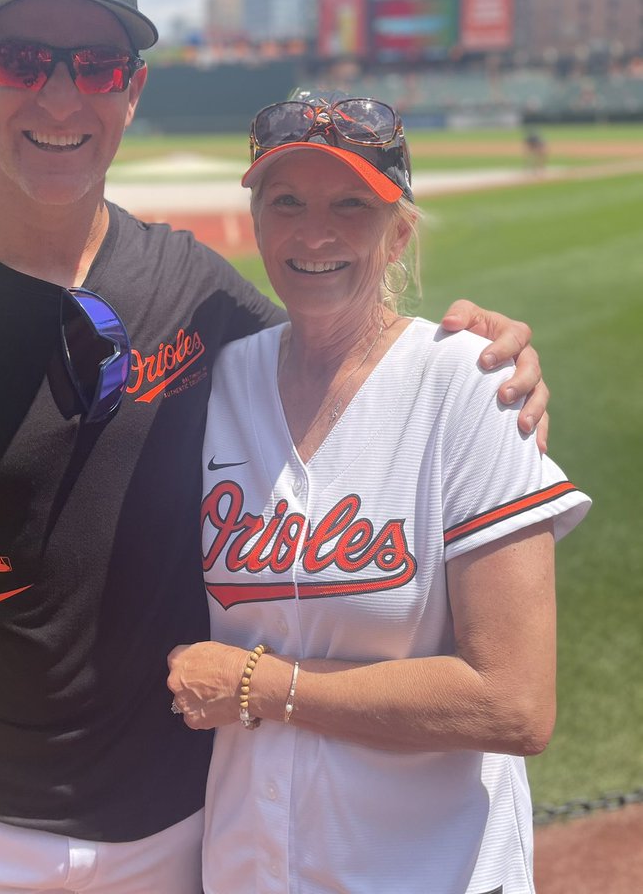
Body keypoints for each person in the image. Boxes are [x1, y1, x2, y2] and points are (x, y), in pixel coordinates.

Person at [0, 0, 549, 894]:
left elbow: (343, 361)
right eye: (22, 57)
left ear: (133, 91)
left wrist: (478, 360)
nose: (60, 93)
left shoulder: (197, 288)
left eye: (96, 64)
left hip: (187, 818)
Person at [167, 93, 591, 894]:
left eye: (351, 204)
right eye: (286, 201)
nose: (314, 232)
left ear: (399, 232)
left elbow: (514, 702)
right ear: (254, 221)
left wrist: (264, 688)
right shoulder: (221, 381)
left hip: (431, 872)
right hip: (250, 870)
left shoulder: (469, 386)